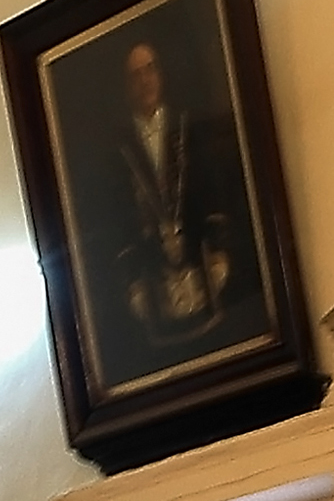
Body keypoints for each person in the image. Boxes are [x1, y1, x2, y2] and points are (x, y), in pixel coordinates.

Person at [80, 31, 255, 358]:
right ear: (125, 86)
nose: (145, 81)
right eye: (135, 75)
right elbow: (116, 219)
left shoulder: (188, 127)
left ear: (161, 74)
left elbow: (211, 190)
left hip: (203, 263)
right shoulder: (116, 151)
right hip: (151, 277)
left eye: (150, 69)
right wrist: (131, 279)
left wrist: (218, 248)